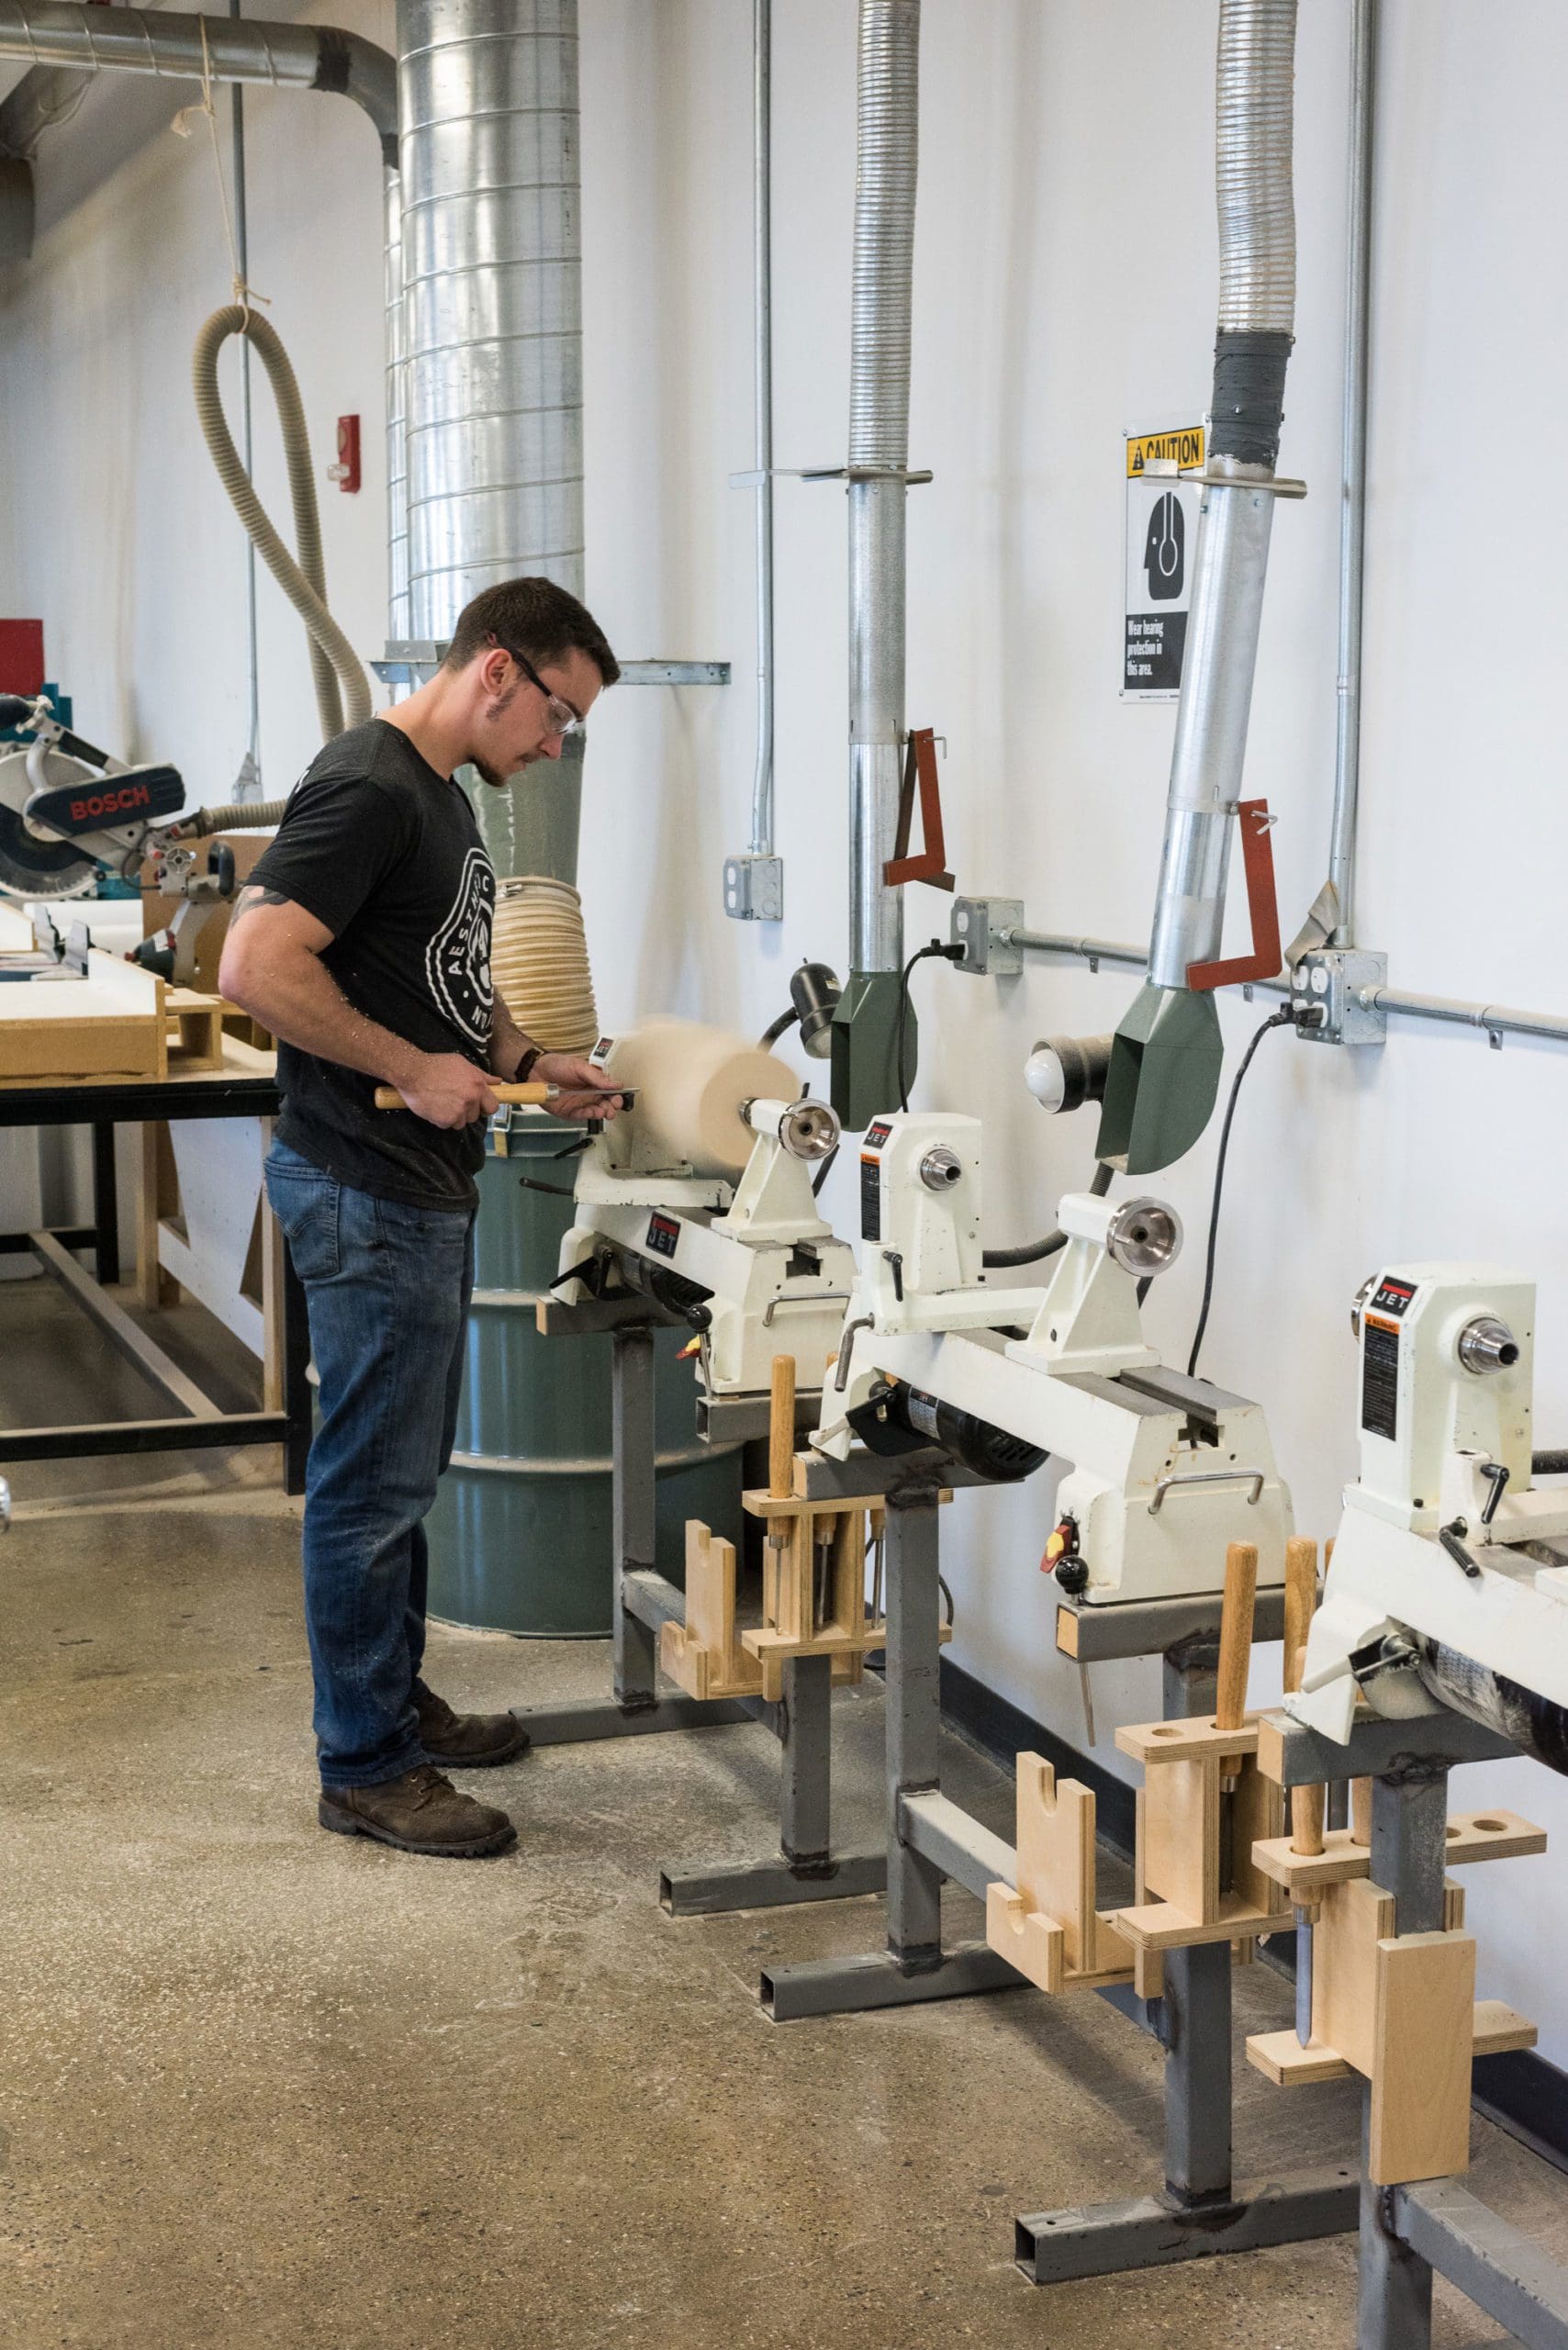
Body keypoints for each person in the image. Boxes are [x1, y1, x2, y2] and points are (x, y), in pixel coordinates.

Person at [219, 576, 623, 1859]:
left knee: (402, 1476)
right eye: (559, 714)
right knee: (368, 1493)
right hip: (365, 1183)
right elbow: (254, 965)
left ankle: (392, 1704)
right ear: (496, 671)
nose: (557, 745)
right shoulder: (371, 785)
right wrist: (410, 1066)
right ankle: (365, 1766)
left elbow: (439, 968)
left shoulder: (444, 798)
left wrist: (525, 1051)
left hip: (414, 1190)